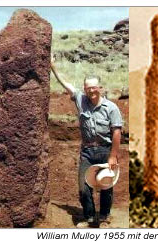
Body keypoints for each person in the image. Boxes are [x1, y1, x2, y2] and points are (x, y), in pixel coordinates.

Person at [51, 63, 123, 228]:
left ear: (101, 88)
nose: (91, 91)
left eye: (94, 87)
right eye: (88, 88)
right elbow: (67, 84)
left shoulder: (111, 108)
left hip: (105, 150)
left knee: (106, 184)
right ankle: (89, 218)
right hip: (87, 151)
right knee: (83, 186)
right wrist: (53, 67)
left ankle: (104, 217)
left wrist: (113, 155)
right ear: (84, 89)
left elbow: (117, 133)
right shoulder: (81, 100)